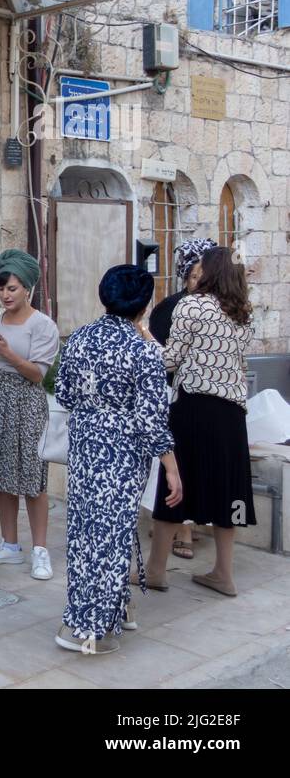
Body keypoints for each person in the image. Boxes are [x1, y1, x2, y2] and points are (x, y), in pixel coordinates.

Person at [55, 265, 182, 654]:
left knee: (87, 532)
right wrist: (172, 466)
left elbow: (63, 394)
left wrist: (95, 410)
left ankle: (115, 608)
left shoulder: (78, 339)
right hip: (123, 454)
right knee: (110, 535)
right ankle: (84, 629)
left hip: (86, 447)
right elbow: (149, 419)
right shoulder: (143, 352)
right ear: (143, 307)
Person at [145, 245, 256, 597]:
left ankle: (155, 571)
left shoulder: (190, 304)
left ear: (210, 272)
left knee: (174, 486)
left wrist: (145, 336)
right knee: (231, 491)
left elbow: (170, 360)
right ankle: (224, 573)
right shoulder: (243, 312)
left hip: (193, 408)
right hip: (232, 413)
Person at [0, 249, 61, 579]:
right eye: (2, 288)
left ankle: (39, 550)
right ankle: (9, 545)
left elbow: (37, 374)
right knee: (2, 475)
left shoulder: (43, 325)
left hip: (26, 403)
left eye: (12, 288)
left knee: (32, 477)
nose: (5, 295)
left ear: (27, 289)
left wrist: (6, 351)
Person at [147, 237, 216, 561]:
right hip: (175, 396)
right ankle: (181, 531)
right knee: (177, 466)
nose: (199, 282)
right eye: (193, 276)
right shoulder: (170, 308)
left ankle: (184, 527)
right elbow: (162, 357)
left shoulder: (222, 307)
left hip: (202, 400)